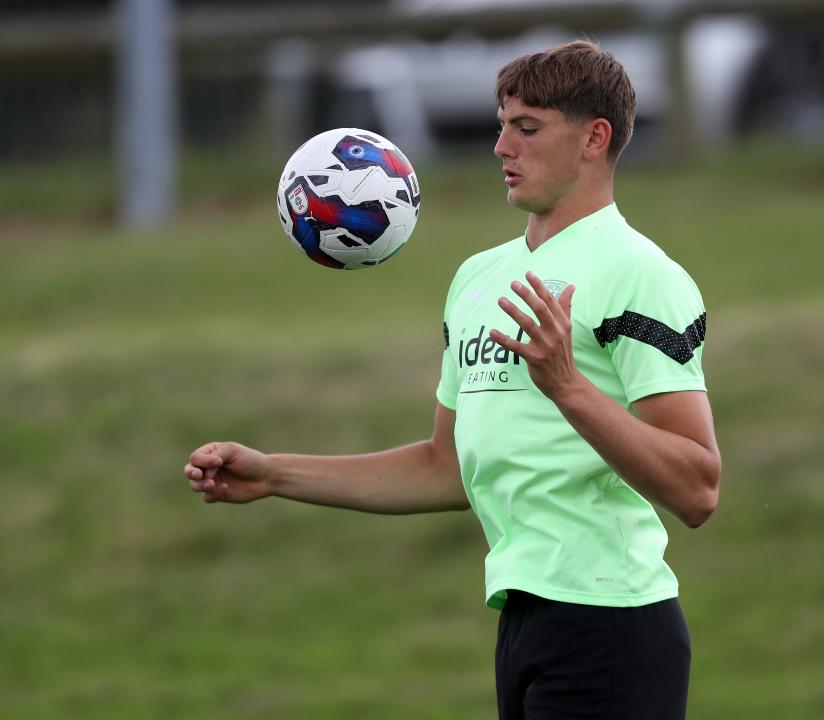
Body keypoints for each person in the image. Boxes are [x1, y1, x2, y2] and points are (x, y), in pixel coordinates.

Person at [185, 40, 720, 720]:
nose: (501, 147)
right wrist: (273, 476)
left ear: (594, 138)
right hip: (524, 623)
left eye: (526, 129)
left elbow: (698, 486)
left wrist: (569, 387)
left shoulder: (641, 274)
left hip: (612, 622)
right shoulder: (478, 278)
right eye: (501, 125)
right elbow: (445, 467)